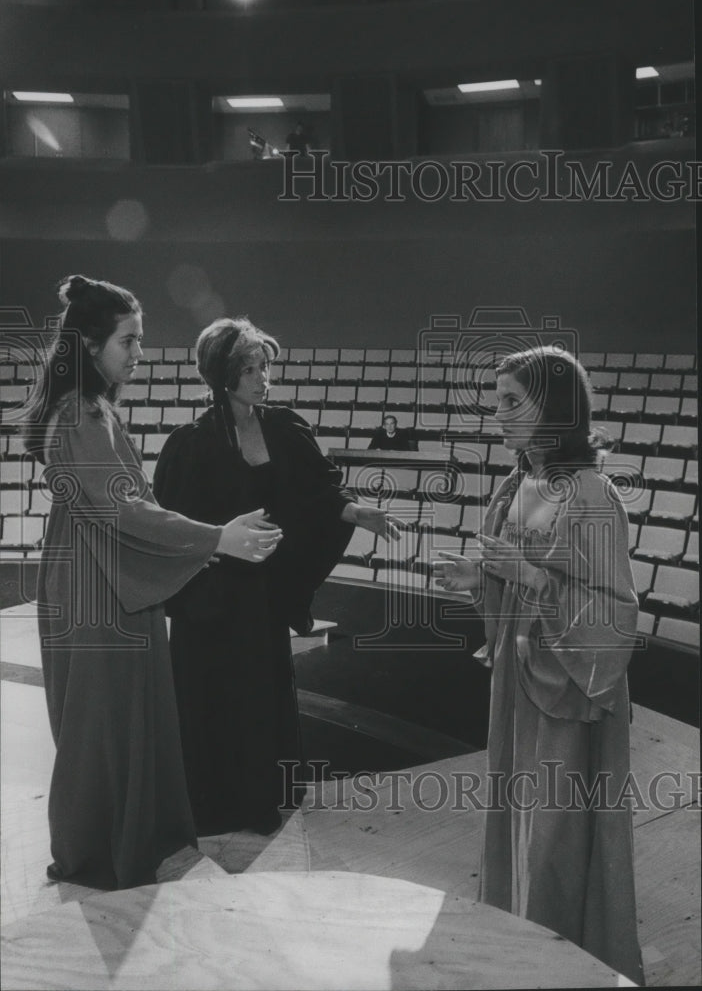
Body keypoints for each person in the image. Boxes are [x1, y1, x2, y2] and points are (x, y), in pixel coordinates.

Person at [23, 275, 283, 890]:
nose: (139, 352)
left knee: (112, 721)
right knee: (101, 724)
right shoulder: (82, 414)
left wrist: (201, 538)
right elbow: (125, 510)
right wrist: (216, 537)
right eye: (128, 341)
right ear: (88, 345)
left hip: (104, 569)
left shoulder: (91, 410)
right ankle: (98, 849)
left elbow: (126, 505)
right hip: (99, 579)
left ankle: (119, 841)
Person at [433, 346, 644, 985]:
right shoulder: (516, 484)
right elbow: (517, 583)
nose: (497, 415)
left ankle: (560, 965)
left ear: (552, 408)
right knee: (521, 825)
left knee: (554, 836)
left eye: (510, 402)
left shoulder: (592, 492)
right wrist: (481, 579)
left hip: (570, 688)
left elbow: (616, 612)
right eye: (496, 400)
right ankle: (519, 950)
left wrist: (527, 576)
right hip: (519, 685)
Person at [153, 317, 403, 837]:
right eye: (249, 368)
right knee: (211, 695)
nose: (262, 377)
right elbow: (174, 524)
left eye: (264, 366)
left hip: (262, 591)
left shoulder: (284, 427)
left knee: (258, 691)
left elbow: (318, 493)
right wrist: (218, 540)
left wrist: (359, 514)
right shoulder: (188, 443)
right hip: (210, 596)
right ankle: (213, 803)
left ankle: (261, 797)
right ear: (222, 374)